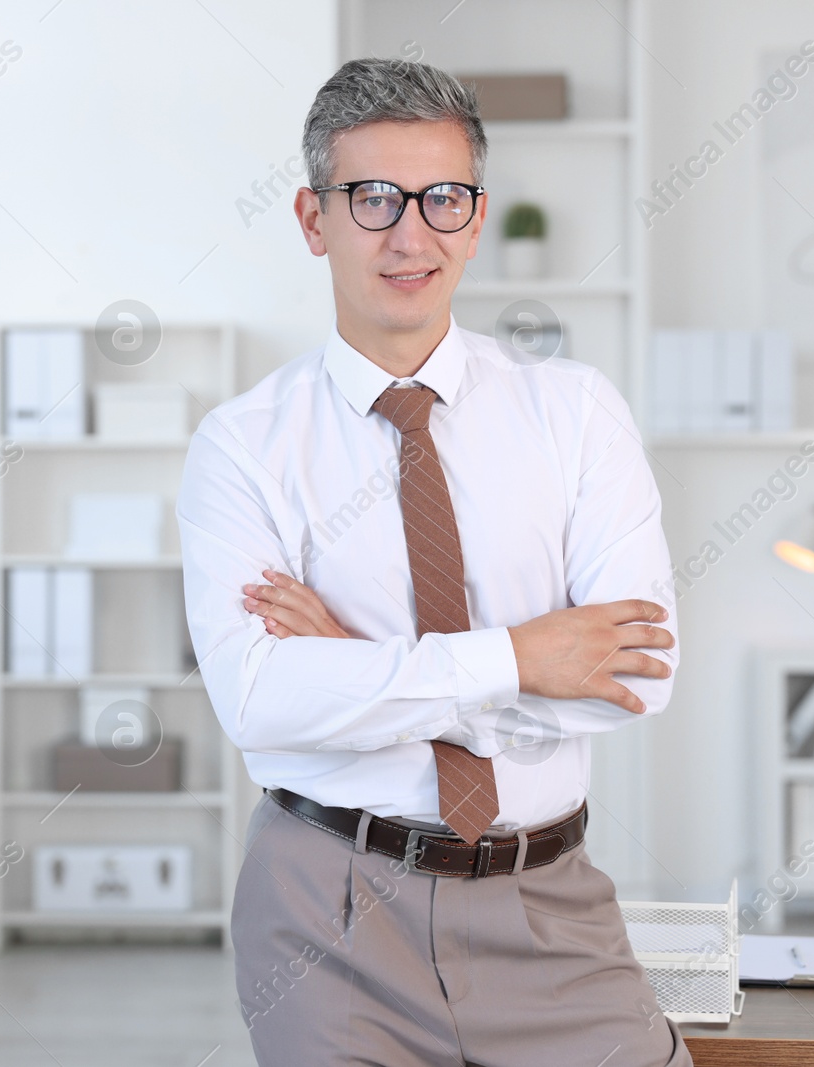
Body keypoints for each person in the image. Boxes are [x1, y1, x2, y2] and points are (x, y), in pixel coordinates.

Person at [176, 56, 691, 1067]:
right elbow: (258, 704)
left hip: (549, 905)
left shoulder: (575, 413)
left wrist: (361, 665)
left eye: (440, 198)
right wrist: (522, 655)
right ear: (312, 219)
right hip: (325, 910)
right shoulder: (240, 446)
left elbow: (639, 673)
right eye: (371, 198)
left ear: (476, 215)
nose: (409, 233)